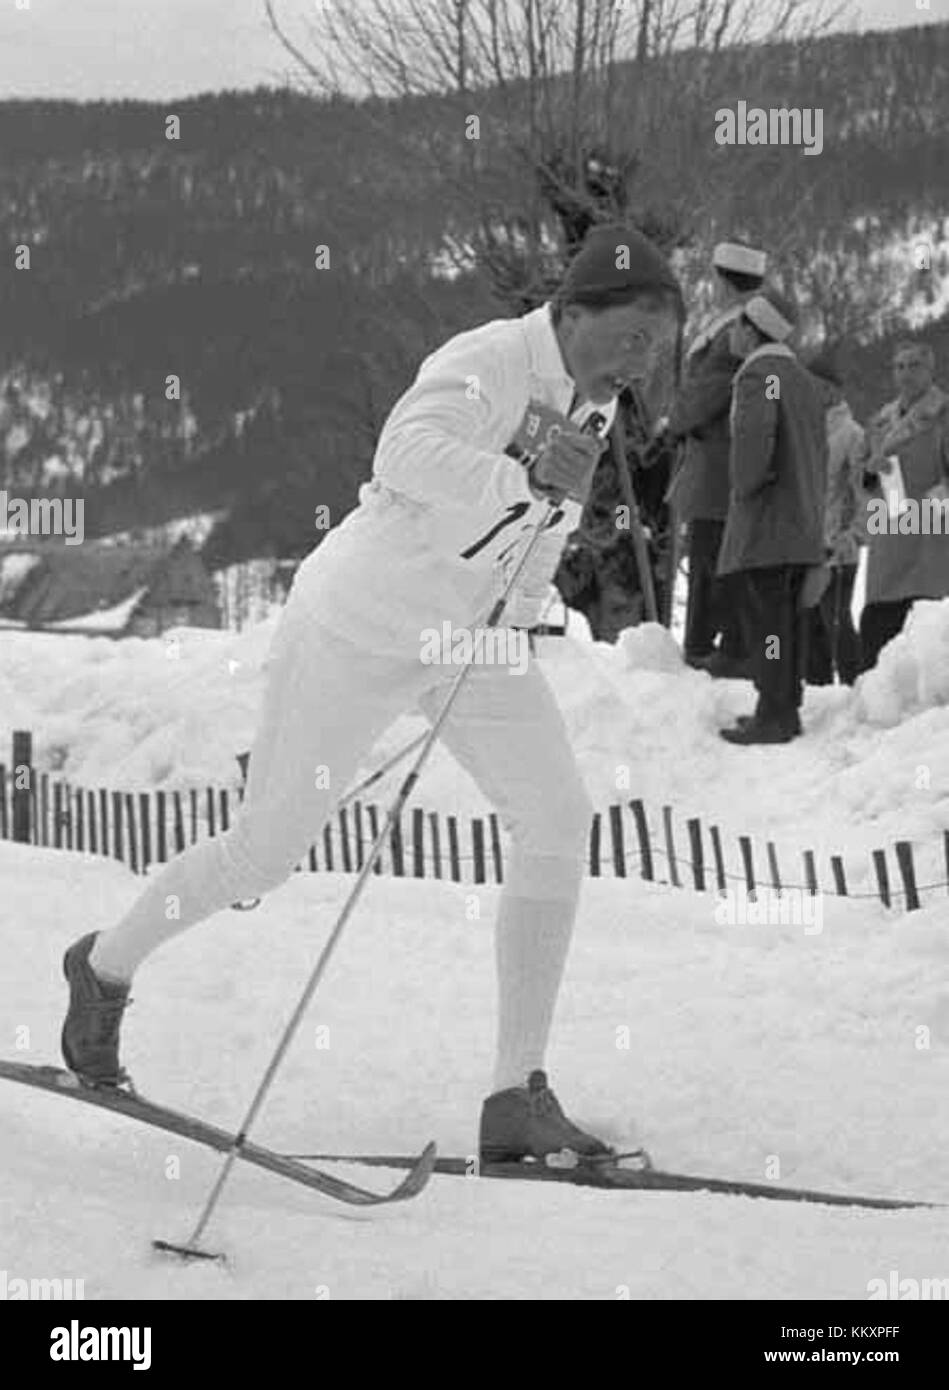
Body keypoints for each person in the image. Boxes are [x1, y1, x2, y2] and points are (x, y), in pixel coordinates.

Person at [60, 224, 682, 1165]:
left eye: (656, 348)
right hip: (354, 627)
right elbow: (406, 454)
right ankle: (103, 968)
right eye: (631, 338)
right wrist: (519, 475)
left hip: (466, 643)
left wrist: (517, 612)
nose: (641, 364)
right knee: (263, 855)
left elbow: (545, 525)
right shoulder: (487, 359)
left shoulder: (589, 407)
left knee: (557, 819)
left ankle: (515, 1095)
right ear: (572, 312)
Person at [717, 290, 827, 745]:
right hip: (801, 519)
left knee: (768, 623)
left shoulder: (758, 375)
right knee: (786, 621)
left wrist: (742, 487)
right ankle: (785, 707)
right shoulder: (801, 378)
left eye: (736, 325)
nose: (731, 333)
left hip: (766, 522)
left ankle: (773, 714)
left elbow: (752, 449)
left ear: (752, 328)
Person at [667, 240, 767, 677]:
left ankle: (715, 646)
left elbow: (707, 392)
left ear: (724, 280)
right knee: (713, 551)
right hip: (714, 457)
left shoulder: (733, 331)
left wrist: (673, 419)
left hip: (716, 459)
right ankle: (714, 643)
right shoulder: (736, 325)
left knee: (713, 553)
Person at [858, 341, 949, 670]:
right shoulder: (880, 420)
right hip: (888, 531)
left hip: (931, 535)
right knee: (877, 625)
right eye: (899, 366)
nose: (906, 373)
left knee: (924, 631)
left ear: (930, 370)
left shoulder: (943, 415)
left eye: (914, 365)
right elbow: (862, 477)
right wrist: (870, 472)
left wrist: (937, 499)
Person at [803, 348, 866, 686]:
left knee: (836, 621)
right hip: (804, 545)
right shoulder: (804, 431)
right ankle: (816, 692)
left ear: (830, 390)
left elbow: (863, 493)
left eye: (813, 386)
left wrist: (851, 535)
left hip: (837, 546)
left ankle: (856, 689)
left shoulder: (853, 434)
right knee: (809, 624)